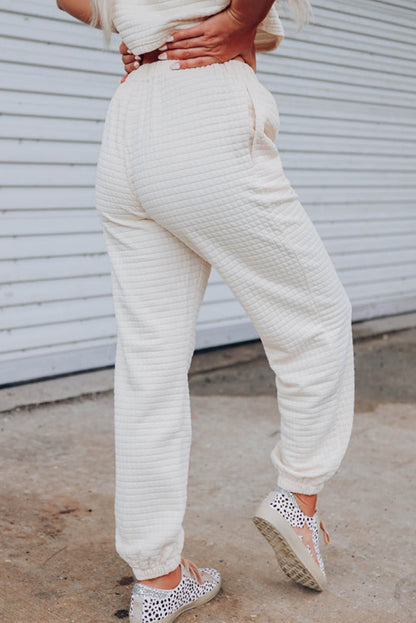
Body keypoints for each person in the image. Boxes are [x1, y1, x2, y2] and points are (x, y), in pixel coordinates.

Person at [56, 1, 355, 621]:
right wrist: (244, 15)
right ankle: (298, 499)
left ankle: (160, 577)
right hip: (202, 110)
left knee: (149, 365)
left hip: (131, 122)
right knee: (316, 320)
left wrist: (137, 30)